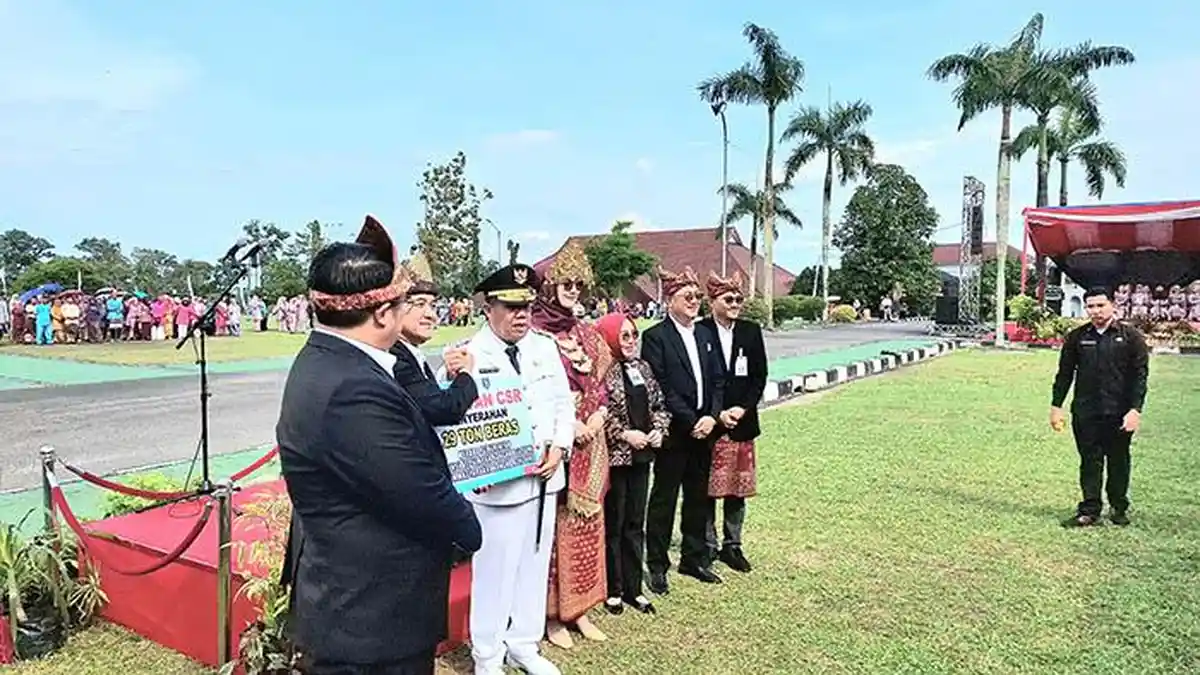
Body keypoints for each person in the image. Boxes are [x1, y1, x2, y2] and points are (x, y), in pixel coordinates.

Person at [276, 214, 482, 675]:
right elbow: (418, 492)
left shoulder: (326, 361)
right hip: (370, 619)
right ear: (384, 313)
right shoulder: (354, 388)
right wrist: (469, 527)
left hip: (358, 603)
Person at [464, 263, 575, 675]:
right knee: (494, 575)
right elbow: (456, 424)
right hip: (499, 489)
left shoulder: (544, 347)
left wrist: (560, 445)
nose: (521, 315)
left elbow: (563, 403)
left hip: (544, 480)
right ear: (488, 308)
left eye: (526, 306)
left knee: (534, 566)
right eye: (510, 307)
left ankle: (524, 645)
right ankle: (487, 656)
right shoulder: (468, 355)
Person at [530, 241, 612, 648]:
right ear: (550, 286)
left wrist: (599, 416)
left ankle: (580, 609)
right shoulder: (532, 334)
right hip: (554, 443)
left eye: (579, 285)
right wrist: (569, 425)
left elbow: (601, 383)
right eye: (567, 283)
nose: (573, 290)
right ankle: (550, 616)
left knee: (587, 527)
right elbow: (534, 390)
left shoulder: (586, 333)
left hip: (590, 443)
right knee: (551, 532)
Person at [640, 265, 726, 594]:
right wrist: (692, 421)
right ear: (670, 300)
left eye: (697, 296)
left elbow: (718, 380)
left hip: (706, 430)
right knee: (664, 499)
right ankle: (657, 565)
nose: (694, 301)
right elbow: (662, 387)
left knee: (698, 498)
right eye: (687, 296)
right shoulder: (656, 337)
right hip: (675, 432)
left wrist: (712, 417)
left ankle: (694, 558)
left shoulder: (705, 334)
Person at [1050, 285, 1149, 528]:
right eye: (1090, 306)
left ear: (1113, 305)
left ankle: (1118, 507)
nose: (1095, 311)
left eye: (1100, 305)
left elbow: (1139, 376)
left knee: (1118, 460)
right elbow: (1064, 374)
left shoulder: (1131, 337)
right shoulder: (1077, 337)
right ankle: (1090, 510)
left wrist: (1135, 410)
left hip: (1119, 412)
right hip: (1086, 411)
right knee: (1090, 460)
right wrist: (1056, 406)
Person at [596, 312, 669, 615]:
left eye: (634, 335)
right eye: (623, 335)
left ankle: (634, 589)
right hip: (616, 458)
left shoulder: (642, 367)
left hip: (642, 456)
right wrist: (625, 435)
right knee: (615, 523)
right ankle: (613, 589)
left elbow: (659, 404)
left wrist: (658, 430)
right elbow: (599, 412)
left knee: (635, 523)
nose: (630, 341)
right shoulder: (602, 370)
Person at [698, 271, 767, 573]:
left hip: (742, 422)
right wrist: (717, 415)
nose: (736, 304)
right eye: (729, 299)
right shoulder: (700, 330)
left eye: (739, 299)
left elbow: (759, 376)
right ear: (713, 301)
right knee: (707, 488)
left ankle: (733, 545)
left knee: (737, 489)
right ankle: (707, 545)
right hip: (711, 424)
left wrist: (742, 408)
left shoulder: (750, 331)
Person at [388, 248, 478, 426]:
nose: (432, 315)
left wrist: (451, 378)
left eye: (433, 305)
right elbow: (443, 410)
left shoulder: (408, 352)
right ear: (395, 308)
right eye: (419, 304)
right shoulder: (395, 358)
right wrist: (466, 373)